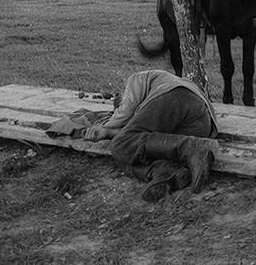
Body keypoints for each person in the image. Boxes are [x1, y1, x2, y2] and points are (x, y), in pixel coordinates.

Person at [83, 69, 219, 202]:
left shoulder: (137, 79)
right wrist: (110, 133)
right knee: (130, 151)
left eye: (119, 104)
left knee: (120, 145)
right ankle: (167, 172)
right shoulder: (150, 112)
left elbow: (125, 111)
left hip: (175, 96)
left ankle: (191, 149)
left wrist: (106, 126)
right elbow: (138, 139)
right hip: (201, 125)